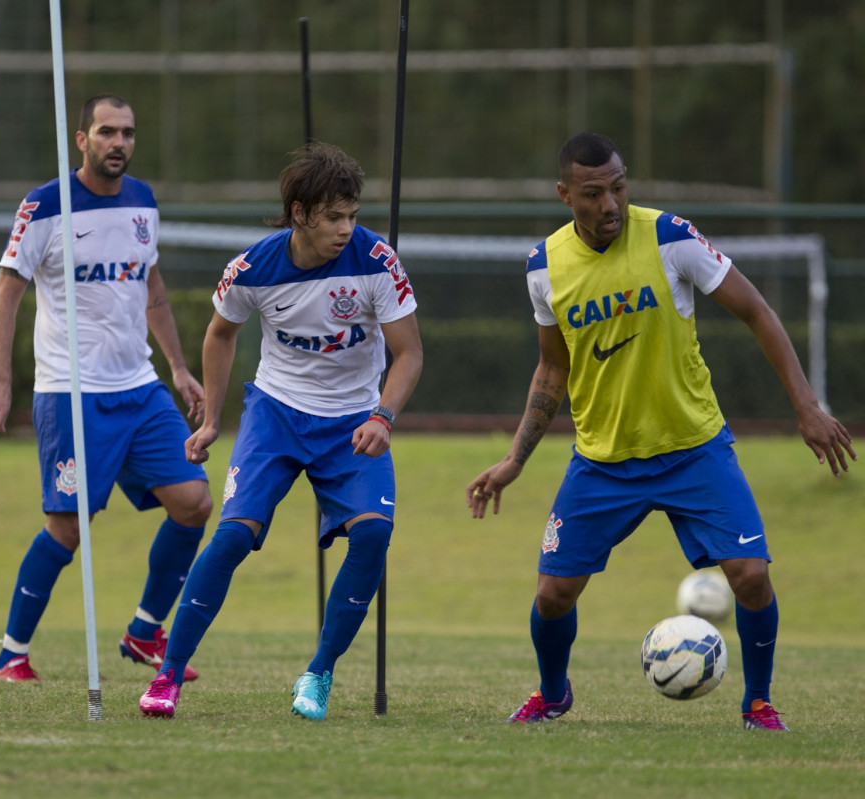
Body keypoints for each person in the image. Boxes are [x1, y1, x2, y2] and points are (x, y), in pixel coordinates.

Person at [466, 132, 856, 731]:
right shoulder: (543, 266)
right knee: (551, 596)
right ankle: (552, 694)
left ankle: (758, 703)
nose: (610, 205)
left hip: (694, 450)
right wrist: (516, 458)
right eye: (593, 194)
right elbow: (552, 366)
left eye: (619, 188)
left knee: (751, 576)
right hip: (601, 461)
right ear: (566, 195)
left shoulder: (671, 236)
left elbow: (756, 309)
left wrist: (807, 406)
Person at [137, 142, 424, 721]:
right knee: (233, 536)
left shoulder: (376, 260)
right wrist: (214, 419)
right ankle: (168, 676)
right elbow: (220, 335)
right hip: (276, 414)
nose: (347, 228)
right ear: (299, 213)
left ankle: (318, 674)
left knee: (371, 536)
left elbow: (410, 354)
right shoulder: (253, 268)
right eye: (334, 217)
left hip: (353, 422)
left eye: (352, 215)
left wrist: (382, 416)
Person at [0, 93, 211, 684]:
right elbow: (7, 291)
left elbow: (151, 288)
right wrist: (0, 380)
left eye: (127, 132)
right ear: (82, 140)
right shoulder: (44, 205)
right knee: (69, 528)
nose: (118, 143)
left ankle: (145, 632)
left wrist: (178, 368)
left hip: (141, 389)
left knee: (195, 503)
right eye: (106, 132)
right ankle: (10, 654)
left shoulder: (143, 201)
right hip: (71, 394)